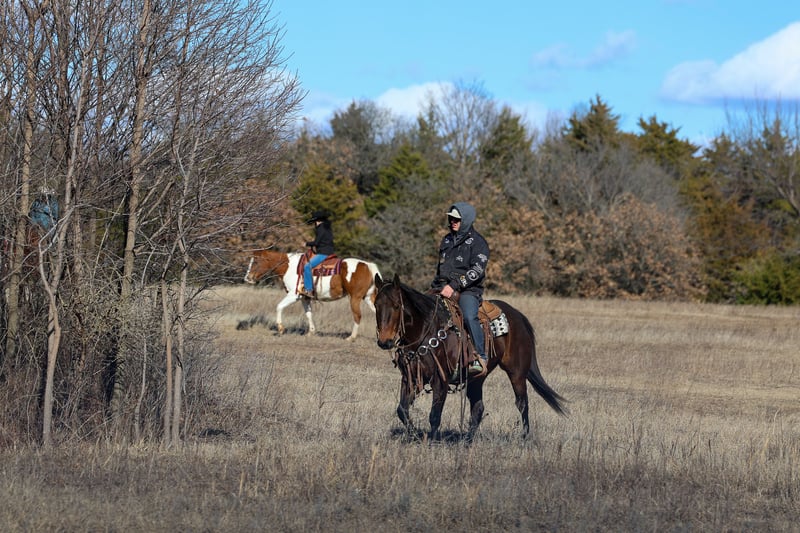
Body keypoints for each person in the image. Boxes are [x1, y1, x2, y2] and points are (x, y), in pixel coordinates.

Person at [431, 202, 490, 376]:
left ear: (466, 220)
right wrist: (436, 286)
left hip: (468, 290)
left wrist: (454, 285)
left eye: (457, 219)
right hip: (443, 287)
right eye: (451, 218)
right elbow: (440, 268)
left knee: (469, 316)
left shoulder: (479, 243)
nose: (453, 222)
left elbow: (477, 270)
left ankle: (480, 356)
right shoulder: (446, 240)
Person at [301, 210, 335, 297]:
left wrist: (306, 244)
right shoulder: (327, 227)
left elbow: (316, 242)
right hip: (329, 251)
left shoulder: (321, 228)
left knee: (307, 266)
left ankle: (309, 290)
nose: (314, 224)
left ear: (317, 221)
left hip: (323, 253)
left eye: (314, 222)